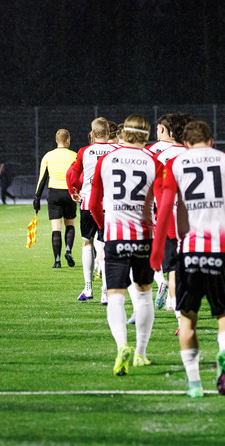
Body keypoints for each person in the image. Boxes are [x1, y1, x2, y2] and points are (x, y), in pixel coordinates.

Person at [150, 120, 225, 397]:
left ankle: (195, 384)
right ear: (211, 141)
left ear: (185, 144)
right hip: (222, 249)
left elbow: (164, 210)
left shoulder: (175, 164)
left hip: (189, 250)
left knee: (187, 322)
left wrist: (157, 252)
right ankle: (224, 354)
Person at [89, 114, 161, 376]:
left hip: (115, 237)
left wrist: (103, 228)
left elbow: (93, 203)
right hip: (144, 237)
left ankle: (122, 345)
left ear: (122, 133)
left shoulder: (106, 160)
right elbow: (163, 204)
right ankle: (140, 353)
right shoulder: (154, 162)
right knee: (143, 296)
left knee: (116, 296)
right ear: (146, 135)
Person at [66, 117, 117, 302]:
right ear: (108, 132)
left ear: (93, 134)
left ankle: (88, 288)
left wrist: (74, 191)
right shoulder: (116, 150)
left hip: (88, 203)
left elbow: (72, 175)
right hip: (110, 205)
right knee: (105, 245)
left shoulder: (84, 151)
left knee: (87, 243)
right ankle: (105, 291)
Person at [151, 112, 192, 330]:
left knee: (174, 268)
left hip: (169, 220)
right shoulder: (198, 156)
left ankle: (179, 314)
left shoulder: (159, 156)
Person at [34, 129, 78, 268]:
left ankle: (57, 261)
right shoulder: (74, 156)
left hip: (54, 194)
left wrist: (37, 197)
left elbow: (42, 179)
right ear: (68, 140)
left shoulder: (48, 156)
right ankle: (68, 250)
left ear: (56, 140)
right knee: (70, 225)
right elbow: (78, 177)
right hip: (69, 193)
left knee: (56, 228)